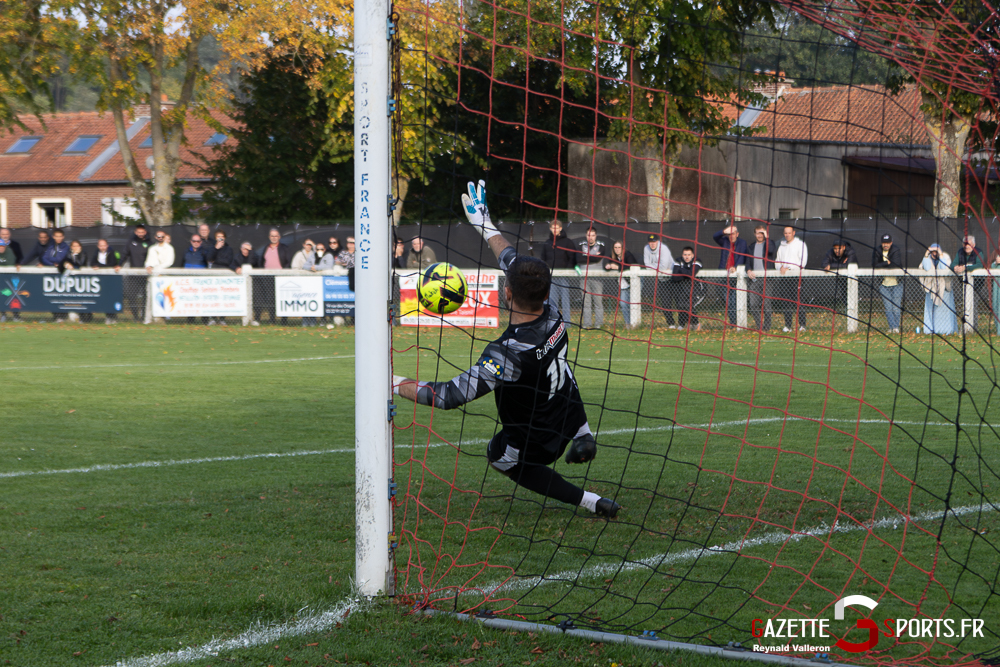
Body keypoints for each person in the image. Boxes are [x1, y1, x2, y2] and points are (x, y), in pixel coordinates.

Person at [394, 180, 620, 518]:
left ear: (509, 294)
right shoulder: (555, 316)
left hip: (538, 442)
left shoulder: (506, 354)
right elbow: (509, 258)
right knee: (559, 374)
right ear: (545, 294)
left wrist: (392, 382)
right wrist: (484, 224)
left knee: (498, 456)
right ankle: (584, 434)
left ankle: (587, 500)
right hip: (564, 419)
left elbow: (448, 396)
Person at [538, 220, 577, 321]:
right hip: (551, 277)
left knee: (565, 300)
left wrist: (566, 272)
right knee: (552, 300)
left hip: (564, 277)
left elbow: (572, 258)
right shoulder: (547, 243)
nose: (555, 230)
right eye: (552, 228)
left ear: (560, 228)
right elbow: (543, 259)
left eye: (557, 227)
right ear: (550, 229)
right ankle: (553, 321)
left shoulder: (568, 242)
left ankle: (567, 322)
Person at [775, 226, 809, 332]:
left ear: (793, 233)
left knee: (799, 301)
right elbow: (777, 261)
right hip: (784, 279)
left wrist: (789, 268)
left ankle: (802, 325)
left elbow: (802, 262)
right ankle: (788, 326)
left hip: (796, 278)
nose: (787, 235)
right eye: (785, 233)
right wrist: (780, 267)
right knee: (786, 302)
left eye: (789, 233)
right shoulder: (781, 246)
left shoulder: (801, 244)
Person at [713, 225, 748, 327]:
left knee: (736, 300)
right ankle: (733, 323)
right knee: (728, 300)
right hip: (725, 275)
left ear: (737, 234)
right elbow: (715, 236)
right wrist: (724, 231)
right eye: (730, 234)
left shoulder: (742, 243)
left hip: (737, 276)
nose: (731, 236)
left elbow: (742, 256)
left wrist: (736, 267)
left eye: (733, 233)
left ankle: (738, 323)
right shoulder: (724, 241)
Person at [919, 243, 956, 335]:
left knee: (944, 311)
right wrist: (926, 254)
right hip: (931, 289)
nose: (934, 253)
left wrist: (941, 254)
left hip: (944, 290)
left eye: (936, 251)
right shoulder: (927, 258)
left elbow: (942, 268)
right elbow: (927, 268)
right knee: (931, 310)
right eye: (933, 251)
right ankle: (931, 330)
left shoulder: (945, 257)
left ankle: (946, 331)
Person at [872, 233, 903, 334]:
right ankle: (892, 327)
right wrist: (886, 263)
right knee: (888, 307)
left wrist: (883, 265)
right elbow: (874, 265)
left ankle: (896, 327)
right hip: (883, 284)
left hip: (897, 283)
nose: (885, 245)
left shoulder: (896, 250)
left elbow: (896, 264)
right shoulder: (877, 251)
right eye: (884, 243)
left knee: (896, 307)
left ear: (891, 243)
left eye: (887, 243)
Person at [746, 225, 776, 332]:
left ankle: (767, 328)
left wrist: (767, 237)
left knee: (767, 305)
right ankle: (760, 326)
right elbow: (748, 262)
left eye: (762, 233)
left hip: (767, 280)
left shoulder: (770, 243)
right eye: (758, 233)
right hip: (754, 280)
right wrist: (748, 270)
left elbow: (771, 251)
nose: (760, 235)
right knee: (753, 304)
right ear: (755, 234)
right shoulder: (751, 247)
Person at [952, 235, 985, 330]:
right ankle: (965, 328)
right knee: (965, 306)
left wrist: (965, 268)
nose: (967, 246)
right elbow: (953, 263)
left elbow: (980, 265)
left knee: (973, 305)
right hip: (964, 284)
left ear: (973, 245)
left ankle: (973, 328)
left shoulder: (979, 252)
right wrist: (955, 267)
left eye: (969, 244)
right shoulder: (960, 252)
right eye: (965, 244)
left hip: (977, 285)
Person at [644, 234, 675, 327]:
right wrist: (656, 266)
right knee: (665, 303)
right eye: (650, 242)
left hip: (673, 278)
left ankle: (683, 324)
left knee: (680, 303)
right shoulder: (646, 248)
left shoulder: (664, 248)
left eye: (654, 242)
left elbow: (663, 267)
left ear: (657, 241)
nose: (652, 244)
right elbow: (647, 265)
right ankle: (671, 324)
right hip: (662, 280)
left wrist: (653, 266)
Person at [578, 226, 606, 328]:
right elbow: (579, 258)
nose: (591, 237)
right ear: (586, 235)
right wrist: (592, 257)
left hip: (597, 278)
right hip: (584, 279)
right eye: (589, 235)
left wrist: (585, 257)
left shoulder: (601, 245)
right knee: (586, 302)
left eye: (593, 235)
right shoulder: (580, 245)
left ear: (596, 236)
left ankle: (598, 323)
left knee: (598, 302)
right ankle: (586, 323)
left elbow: (598, 259)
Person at [604, 241, 637, 328]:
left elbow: (631, 266)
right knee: (623, 303)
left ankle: (634, 323)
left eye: (619, 247)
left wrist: (618, 267)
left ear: (623, 248)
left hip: (633, 283)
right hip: (623, 284)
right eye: (615, 247)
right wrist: (607, 265)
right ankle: (628, 323)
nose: (617, 249)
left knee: (632, 303)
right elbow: (606, 263)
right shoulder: (612, 256)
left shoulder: (628, 255)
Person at [123, 225, 152, 321]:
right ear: (135, 232)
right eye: (138, 232)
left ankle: (144, 316)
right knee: (131, 296)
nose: (140, 234)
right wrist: (119, 264)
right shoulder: (131, 242)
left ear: (145, 232)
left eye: (142, 232)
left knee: (145, 296)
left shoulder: (149, 243)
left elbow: (153, 258)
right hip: (133, 275)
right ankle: (136, 317)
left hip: (145, 275)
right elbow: (125, 254)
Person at [89, 239, 122, 325]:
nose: (102, 247)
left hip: (111, 279)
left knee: (111, 298)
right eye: (100, 245)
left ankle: (113, 317)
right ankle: (108, 316)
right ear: (98, 246)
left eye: (104, 245)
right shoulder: (96, 253)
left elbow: (112, 264)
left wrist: (99, 266)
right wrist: (96, 266)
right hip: (101, 280)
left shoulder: (112, 252)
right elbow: (92, 263)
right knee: (104, 299)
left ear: (107, 245)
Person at [670, 246, 703, 330]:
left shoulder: (697, 260)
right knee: (681, 305)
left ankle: (696, 323)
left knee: (688, 305)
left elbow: (691, 274)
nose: (687, 257)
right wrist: (687, 274)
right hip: (683, 289)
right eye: (685, 254)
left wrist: (681, 270)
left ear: (692, 255)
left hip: (698, 289)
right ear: (682, 255)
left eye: (689, 254)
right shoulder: (678, 260)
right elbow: (674, 277)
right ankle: (683, 325)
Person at [822, 240, 858, 314]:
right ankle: (848, 310)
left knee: (852, 293)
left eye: (839, 248)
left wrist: (831, 266)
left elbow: (847, 266)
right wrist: (839, 265)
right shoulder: (830, 252)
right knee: (844, 293)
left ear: (844, 247)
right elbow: (824, 264)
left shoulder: (851, 252)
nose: (837, 251)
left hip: (852, 276)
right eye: (835, 249)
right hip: (841, 278)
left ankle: (853, 311)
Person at [991, 249, 1000, 334]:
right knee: (995, 306)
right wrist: (996, 263)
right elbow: (991, 267)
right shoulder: (995, 253)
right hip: (996, 286)